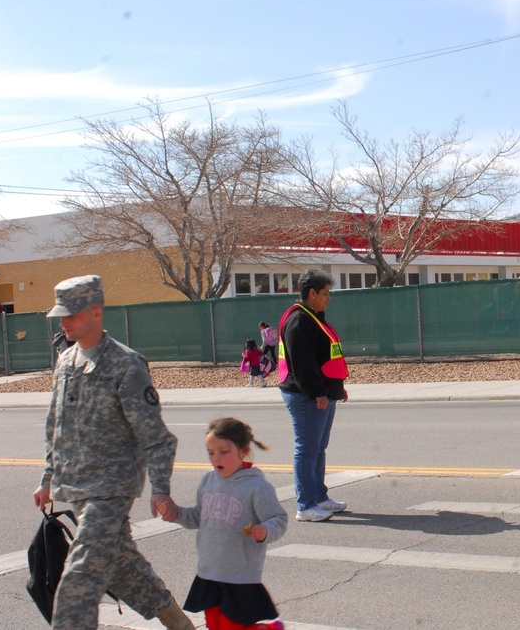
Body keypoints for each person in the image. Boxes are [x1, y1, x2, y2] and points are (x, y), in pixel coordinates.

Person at [32, 275, 193, 630]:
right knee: (122, 568)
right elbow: (55, 424)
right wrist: (47, 477)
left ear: (96, 312)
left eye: (71, 314)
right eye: (61, 315)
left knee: (80, 575)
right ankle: (181, 625)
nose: (64, 322)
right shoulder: (66, 361)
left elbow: (156, 436)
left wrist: (161, 488)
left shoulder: (126, 365)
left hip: (110, 490)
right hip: (75, 487)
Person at [157, 418, 287, 630]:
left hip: (240, 576)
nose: (216, 457)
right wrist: (176, 514)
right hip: (209, 572)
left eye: (224, 451)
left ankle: (270, 629)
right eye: (210, 452)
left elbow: (278, 519)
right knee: (214, 626)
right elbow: (199, 516)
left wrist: (265, 531)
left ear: (243, 451)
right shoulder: (208, 481)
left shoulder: (257, 486)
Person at [278, 269, 349, 522]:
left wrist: (336, 389)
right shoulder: (299, 320)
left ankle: (319, 497)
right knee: (307, 450)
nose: (328, 298)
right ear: (312, 293)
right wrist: (318, 393)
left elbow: (326, 357)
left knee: (318, 448)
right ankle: (305, 505)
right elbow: (303, 365)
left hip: (323, 394)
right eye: (325, 293)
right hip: (306, 397)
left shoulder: (314, 317)